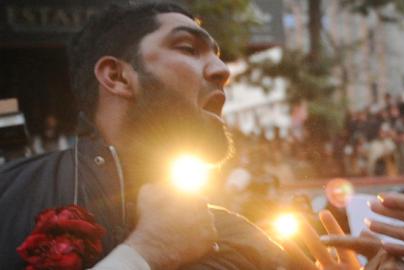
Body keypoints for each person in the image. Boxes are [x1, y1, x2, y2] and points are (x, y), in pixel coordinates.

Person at [0, 3, 290, 269]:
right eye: (188, 48)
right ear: (117, 76)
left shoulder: (246, 242)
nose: (222, 70)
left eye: (217, 55)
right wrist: (146, 252)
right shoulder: (10, 196)